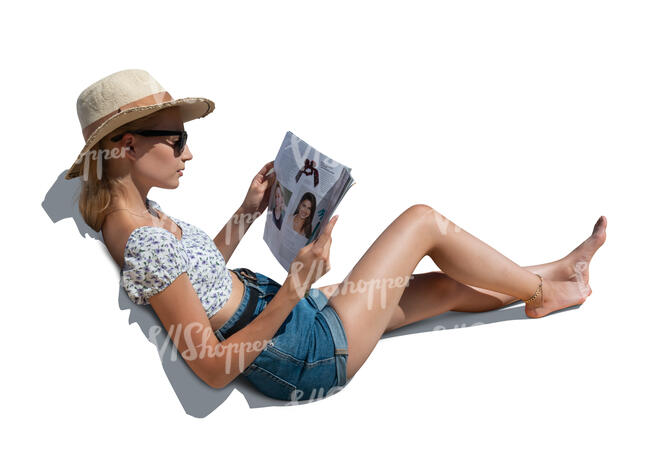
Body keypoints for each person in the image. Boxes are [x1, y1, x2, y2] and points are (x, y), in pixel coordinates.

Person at [65, 69, 607, 403]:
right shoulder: (142, 241)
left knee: (442, 288)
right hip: (300, 352)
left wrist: (247, 213)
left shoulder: (139, 212)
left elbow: (199, 277)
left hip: (283, 318)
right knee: (422, 221)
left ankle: (556, 272)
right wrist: (295, 288)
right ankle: (544, 293)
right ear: (129, 146)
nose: (188, 152)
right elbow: (209, 366)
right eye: (176, 139)